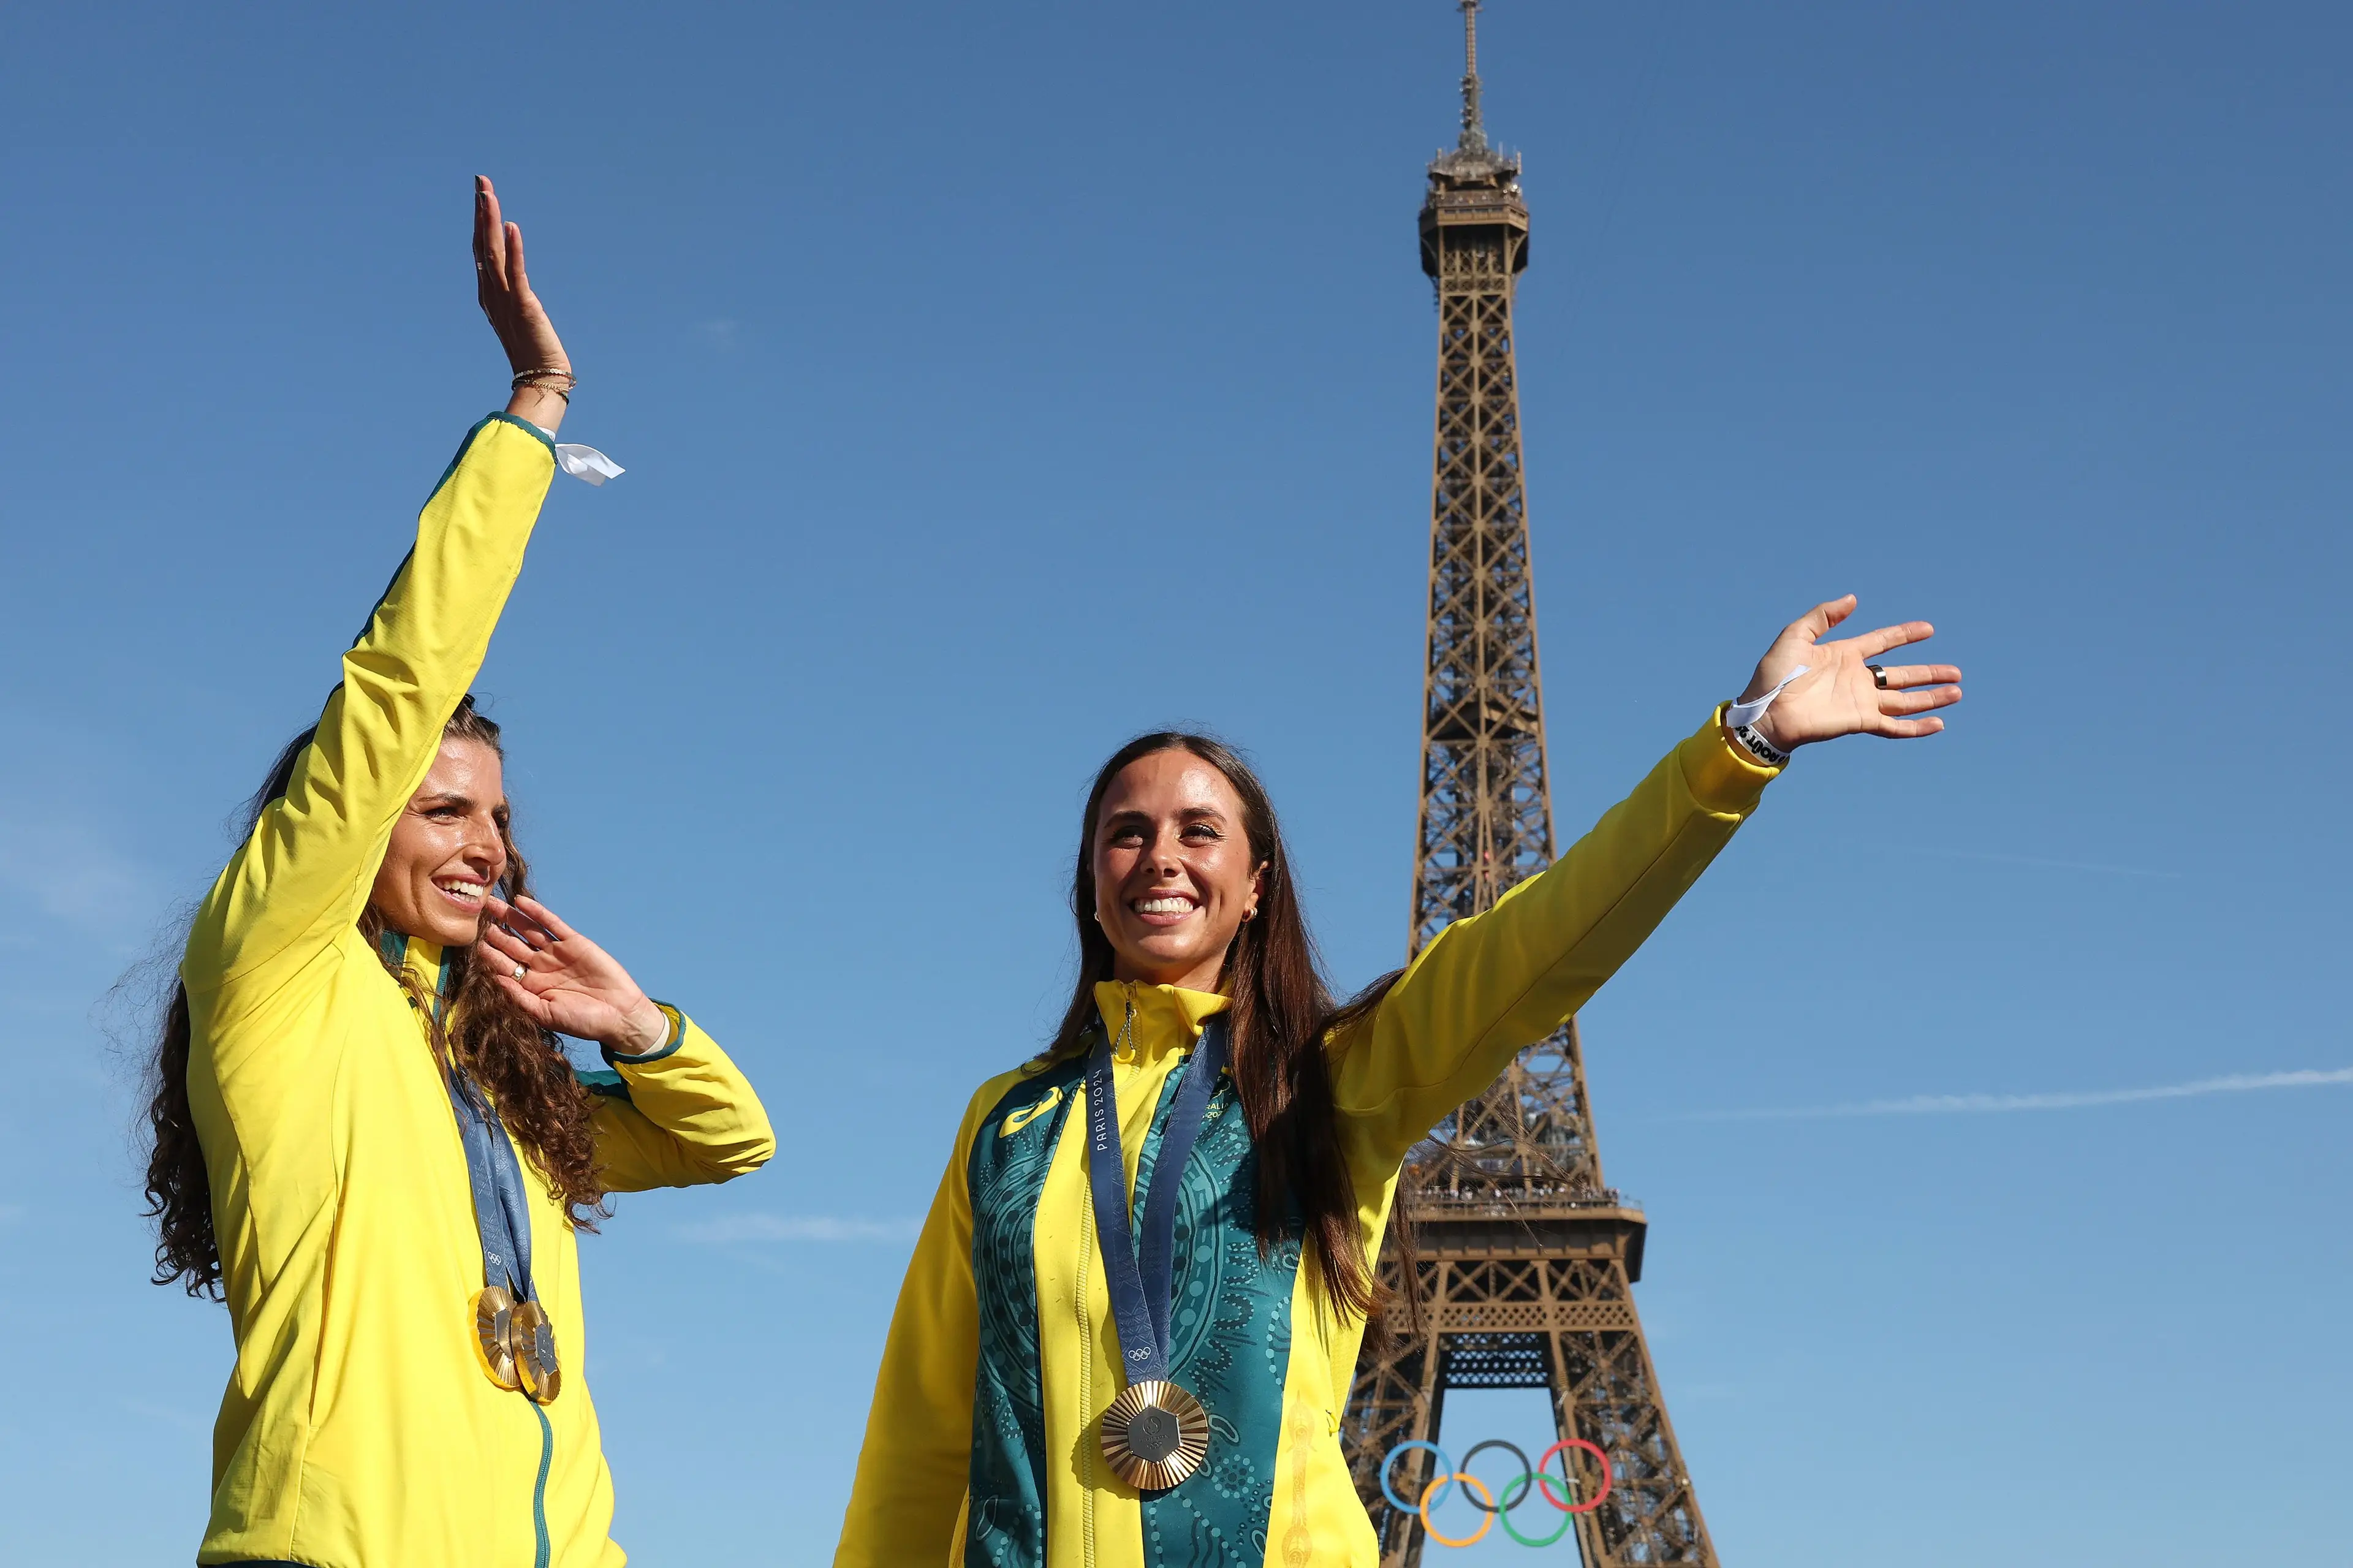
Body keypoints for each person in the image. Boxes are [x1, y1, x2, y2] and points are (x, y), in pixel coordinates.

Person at [833, 605, 1960, 1567]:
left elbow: (1540, 947)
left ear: (1256, 883)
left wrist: (1742, 742)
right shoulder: (1010, 1125)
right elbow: (924, 1435)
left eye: (1198, 831)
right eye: (1125, 835)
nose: (1160, 857)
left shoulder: (1333, 1080)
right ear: (1090, 884)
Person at [140, 178, 775, 1568]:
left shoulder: (505, 1077)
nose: (484, 844)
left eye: (493, 816)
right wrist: (535, 406)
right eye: (437, 811)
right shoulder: (275, 976)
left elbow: (732, 1141)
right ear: (350, 825)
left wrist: (642, 1031)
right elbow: (398, 679)